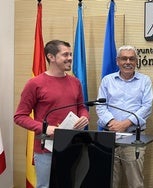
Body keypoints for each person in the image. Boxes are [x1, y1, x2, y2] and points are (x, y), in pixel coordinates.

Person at [14, 40, 89, 188]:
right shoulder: (35, 83)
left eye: (70, 54)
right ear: (51, 57)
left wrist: (84, 116)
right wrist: (45, 128)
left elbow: (81, 107)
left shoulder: (75, 82)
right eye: (65, 54)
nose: (70, 58)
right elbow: (19, 117)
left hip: (72, 145)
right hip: (46, 149)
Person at [96, 45, 153, 188]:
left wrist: (125, 124)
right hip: (109, 136)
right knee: (109, 180)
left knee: (135, 182)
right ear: (117, 61)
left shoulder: (145, 81)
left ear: (136, 61)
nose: (128, 62)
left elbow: (146, 107)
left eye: (131, 58)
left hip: (133, 137)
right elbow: (100, 106)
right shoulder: (107, 80)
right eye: (124, 58)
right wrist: (113, 122)